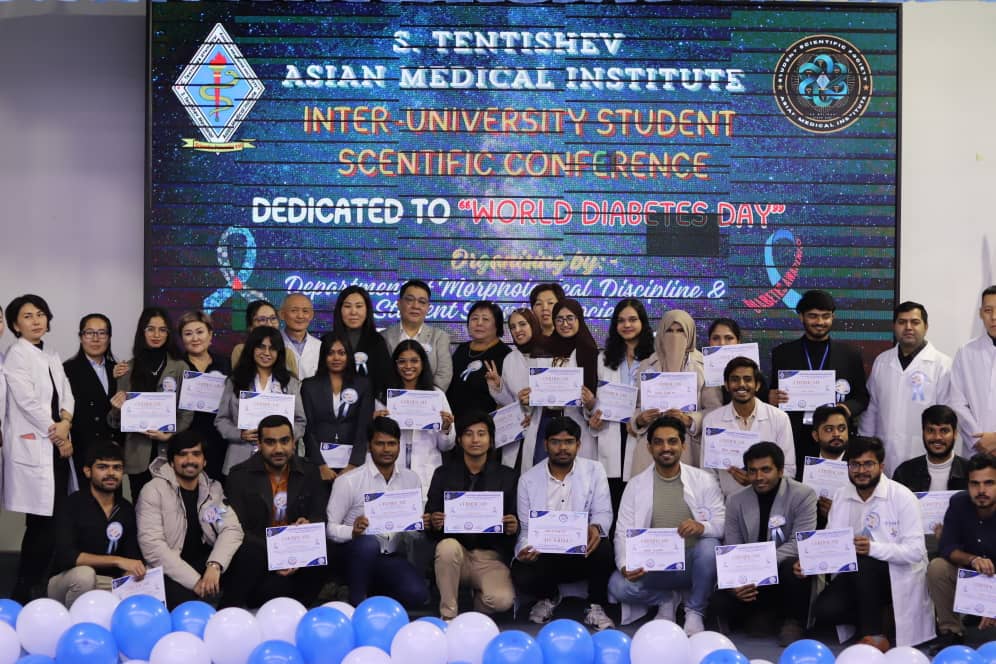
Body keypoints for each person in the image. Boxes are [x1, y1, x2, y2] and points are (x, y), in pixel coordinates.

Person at [811, 436, 934, 651]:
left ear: (881, 466)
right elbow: (831, 542)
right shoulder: (841, 495)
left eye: (868, 464)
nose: (861, 471)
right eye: (855, 465)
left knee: (865, 562)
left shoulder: (902, 496)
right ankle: (880, 616)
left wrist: (872, 548)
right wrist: (810, 561)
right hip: (855, 574)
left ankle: (873, 633)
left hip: (896, 573)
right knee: (824, 610)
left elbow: (916, 552)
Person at [608, 415, 724, 636]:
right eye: (658, 442)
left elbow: (721, 523)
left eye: (672, 441)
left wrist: (702, 527)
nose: (666, 448)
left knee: (710, 547)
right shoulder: (635, 485)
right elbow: (622, 532)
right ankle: (665, 599)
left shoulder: (703, 480)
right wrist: (624, 565)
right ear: (649, 448)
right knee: (617, 585)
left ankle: (694, 611)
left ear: (683, 445)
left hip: (692, 563)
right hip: (653, 566)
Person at [3, 294, 76, 603]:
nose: (36, 321)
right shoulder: (17, 355)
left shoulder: (50, 354)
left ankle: (42, 586)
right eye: (28, 316)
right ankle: (25, 589)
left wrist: (66, 421)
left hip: (55, 446)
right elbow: (28, 402)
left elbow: (66, 393)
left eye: (40, 314)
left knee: (54, 520)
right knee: (40, 523)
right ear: (15, 325)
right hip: (39, 445)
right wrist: (59, 434)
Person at [513, 416, 616, 631]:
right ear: (545, 444)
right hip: (546, 555)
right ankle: (548, 597)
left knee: (604, 547)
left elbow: (603, 512)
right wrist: (524, 549)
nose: (562, 448)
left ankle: (594, 605)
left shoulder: (594, 470)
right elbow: (526, 529)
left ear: (578, 445)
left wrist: (595, 527)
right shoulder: (528, 479)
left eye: (568, 442)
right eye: (555, 442)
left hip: (582, 552)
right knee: (521, 571)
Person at [710, 442, 815, 646]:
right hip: (752, 579)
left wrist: (760, 563)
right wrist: (735, 584)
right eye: (752, 471)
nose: (758, 477)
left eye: (766, 470)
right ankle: (763, 615)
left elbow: (800, 542)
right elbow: (733, 547)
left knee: (795, 565)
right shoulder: (735, 501)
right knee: (717, 602)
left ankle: (792, 622)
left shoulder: (803, 495)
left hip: (782, 572)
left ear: (781, 470)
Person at [325, 416, 430, 608]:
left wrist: (421, 524)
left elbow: (413, 532)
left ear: (399, 445)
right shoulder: (348, 481)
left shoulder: (411, 479)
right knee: (368, 544)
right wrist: (353, 532)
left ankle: (366, 590)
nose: (386, 449)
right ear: (369, 446)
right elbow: (329, 529)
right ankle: (356, 600)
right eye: (380, 443)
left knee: (417, 594)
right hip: (353, 555)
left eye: (392, 443)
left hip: (387, 557)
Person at [225, 415, 328, 607]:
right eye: (270, 442)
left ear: (294, 442)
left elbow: (320, 515)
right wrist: (277, 555)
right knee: (249, 554)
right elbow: (238, 530)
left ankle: (303, 607)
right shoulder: (239, 475)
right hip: (260, 558)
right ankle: (233, 608)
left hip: (298, 557)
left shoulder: (310, 471)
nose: (279, 449)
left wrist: (309, 525)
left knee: (328, 546)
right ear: (259, 444)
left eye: (284, 441)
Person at [424, 411, 518, 620]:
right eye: (468, 434)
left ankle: (476, 605)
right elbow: (429, 523)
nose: (475, 440)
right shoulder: (443, 474)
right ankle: (448, 616)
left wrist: (514, 527)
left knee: (502, 600)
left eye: (481, 434)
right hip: (455, 555)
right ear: (459, 439)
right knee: (447, 547)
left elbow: (516, 525)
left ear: (491, 440)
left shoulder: (508, 477)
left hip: (490, 558)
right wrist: (434, 522)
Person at [136, 429, 245, 609]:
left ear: (204, 461)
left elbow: (231, 528)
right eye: (182, 454)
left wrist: (215, 564)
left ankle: (227, 611)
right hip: (170, 568)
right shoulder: (153, 490)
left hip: (204, 563)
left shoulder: (212, 490)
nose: (190, 460)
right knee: (186, 605)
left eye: (196, 454)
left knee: (250, 552)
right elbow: (153, 547)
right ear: (171, 462)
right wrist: (194, 581)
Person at [769, 290, 869, 475]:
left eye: (826, 316)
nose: (820, 322)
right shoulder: (782, 354)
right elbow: (770, 393)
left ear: (833, 317)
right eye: (813, 316)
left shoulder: (850, 355)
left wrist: (846, 408)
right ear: (801, 317)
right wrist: (771, 397)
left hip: (834, 439)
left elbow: (862, 397)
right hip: (795, 437)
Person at [109, 306, 192, 501]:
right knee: (141, 509)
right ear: (142, 332)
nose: (156, 335)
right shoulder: (127, 369)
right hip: (138, 455)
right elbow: (114, 422)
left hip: (171, 453)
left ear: (169, 333)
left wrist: (171, 433)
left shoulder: (180, 367)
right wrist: (116, 409)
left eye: (162, 330)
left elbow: (187, 413)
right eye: (150, 329)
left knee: (174, 508)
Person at [48, 441, 144, 607]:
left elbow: (131, 557)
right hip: (68, 581)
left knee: (143, 581)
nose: (111, 473)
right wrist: (116, 560)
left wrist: (132, 575)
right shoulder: (71, 504)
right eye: (102, 467)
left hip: (108, 582)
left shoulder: (126, 509)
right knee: (85, 576)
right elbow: (68, 556)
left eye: (117, 468)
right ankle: (74, 620)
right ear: (87, 471)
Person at [860, 301, 952, 475]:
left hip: (923, 454)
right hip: (884, 455)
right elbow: (872, 410)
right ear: (894, 326)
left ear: (926, 327)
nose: (908, 327)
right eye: (902, 322)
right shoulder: (882, 361)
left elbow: (946, 417)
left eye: (915, 322)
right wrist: (865, 446)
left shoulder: (942, 365)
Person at [512, 299, 599, 474]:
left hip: (576, 424)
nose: (564, 324)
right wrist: (526, 401)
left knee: (576, 479)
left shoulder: (590, 352)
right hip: (543, 425)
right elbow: (531, 394)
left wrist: (590, 403)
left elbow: (598, 400)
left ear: (579, 319)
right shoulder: (541, 350)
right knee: (540, 477)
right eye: (559, 319)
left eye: (570, 318)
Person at [631, 310, 723, 473]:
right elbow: (635, 406)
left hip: (689, 446)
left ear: (690, 333)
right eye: (669, 331)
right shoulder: (646, 365)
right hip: (651, 447)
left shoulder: (705, 366)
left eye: (681, 331)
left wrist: (690, 420)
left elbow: (714, 410)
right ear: (661, 332)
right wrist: (640, 419)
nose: (675, 336)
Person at [590, 298, 655, 513]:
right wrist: (593, 414)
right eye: (621, 320)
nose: (627, 325)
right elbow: (597, 398)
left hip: (641, 431)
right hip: (611, 432)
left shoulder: (654, 357)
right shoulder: (603, 358)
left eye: (632, 320)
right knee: (612, 499)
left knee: (639, 501)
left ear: (642, 322)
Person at [215, 326, 307, 475]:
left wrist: (283, 438)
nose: (266, 353)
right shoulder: (236, 380)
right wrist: (240, 434)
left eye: (272, 348)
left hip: (281, 459)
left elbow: (300, 421)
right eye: (261, 347)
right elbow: (221, 420)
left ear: (279, 353)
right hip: (241, 458)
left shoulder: (289, 382)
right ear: (251, 349)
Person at [927, 454, 996, 651]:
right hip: (971, 577)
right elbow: (947, 547)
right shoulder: (958, 503)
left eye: (989, 483)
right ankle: (951, 631)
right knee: (938, 567)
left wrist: (992, 602)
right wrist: (973, 559)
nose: (981, 490)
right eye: (975, 484)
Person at [701, 357, 796, 499]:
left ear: (757, 385)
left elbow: (788, 469)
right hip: (727, 504)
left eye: (747, 379)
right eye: (735, 379)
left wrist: (755, 481)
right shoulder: (712, 420)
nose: (741, 384)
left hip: (770, 502)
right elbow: (708, 474)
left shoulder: (779, 418)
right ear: (726, 385)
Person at [374, 340, 455, 499]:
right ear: (395, 365)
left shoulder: (436, 395)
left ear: (423, 364)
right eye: (402, 361)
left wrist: (446, 428)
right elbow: (373, 441)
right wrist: (375, 423)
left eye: (414, 361)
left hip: (426, 470)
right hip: (391, 469)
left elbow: (446, 446)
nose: (408, 366)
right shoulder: (383, 396)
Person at [301, 331, 373, 485]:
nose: (336, 358)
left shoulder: (363, 385)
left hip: (352, 465)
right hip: (319, 465)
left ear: (349, 356)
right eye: (330, 353)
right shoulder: (309, 386)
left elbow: (363, 427)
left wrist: (353, 464)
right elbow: (308, 429)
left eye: (341, 353)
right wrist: (320, 465)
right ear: (323, 356)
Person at [486, 308, 552, 472]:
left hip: (544, 427)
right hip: (517, 429)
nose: (517, 330)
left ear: (533, 325)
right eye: (513, 327)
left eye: (522, 324)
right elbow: (509, 401)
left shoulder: (550, 355)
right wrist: (498, 386)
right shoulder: (510, 359)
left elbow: (559, 395)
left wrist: (534, 400)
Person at [63, 313, 121, 489]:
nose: (96, 339)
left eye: (102, 333)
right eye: (89, 333)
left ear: (109, 337)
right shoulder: (67, 370)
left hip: (112, 452)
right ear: (81, 337)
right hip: (83, 450)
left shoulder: (118, 369)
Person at [177, 311, 231, 483]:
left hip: (220, 439)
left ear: (210, 334)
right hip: (185, 440)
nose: (195, 338)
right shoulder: (176, 365)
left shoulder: (226, 363)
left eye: (200, 332)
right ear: (182, 338)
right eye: (188, 333)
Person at [948, 286, 996, 456]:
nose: (994, 317)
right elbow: (956, 402)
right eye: (988, 310)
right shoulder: (966, 352)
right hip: (976, 448)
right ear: (980, 313)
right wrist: (979, 440)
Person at [382, 279, 453, 391]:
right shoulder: (384, 337)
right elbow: (379, 373)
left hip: (429, 399)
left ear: (428, 308)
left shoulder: (439, 337)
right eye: (410, 300)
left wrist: (425, 397)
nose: (416, 306)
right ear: (399, 304)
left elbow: (444, 374)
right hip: (391, 399)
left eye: (422, 302)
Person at [447, 301, 511, 419]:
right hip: (455, 423)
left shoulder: (506, 355)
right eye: (474, 318)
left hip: (486, 425)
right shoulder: (462, 349)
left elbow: (509, 399)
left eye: (485, 319)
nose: (479, 323)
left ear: (497, 325)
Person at [893, 405, 970, 493]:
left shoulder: (970, 471)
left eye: (944, 431)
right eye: (931, 430)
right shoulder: (904, 472)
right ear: (923, 432)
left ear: (955, 434)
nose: (937, 437)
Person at [332, 285, 392, 398]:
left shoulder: (377, 341)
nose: (353, 312)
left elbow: (385, 381)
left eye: (359, 306)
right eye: (347, 306)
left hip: (371, 405)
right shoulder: (327, 341)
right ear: (339, 310)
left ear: (367, 310)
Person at [706, 318, 769, 404]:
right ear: (709, 341)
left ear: (738, 341)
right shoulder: (700, 369)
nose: (722, 343)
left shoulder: (752, 371)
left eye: (729, 338)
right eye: (716, 338)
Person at [231, 300, 299, 378]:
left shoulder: (287, 353)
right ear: (250, 327)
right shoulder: (241, 350)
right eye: (262, 319)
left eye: (273, 318)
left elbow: (293, 383)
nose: (269, 324)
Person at [808, 404, 851, 526]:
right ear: (815, 436)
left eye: (842, 428)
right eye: (829, 429)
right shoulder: (804, 463)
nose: (836, 434)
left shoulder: (858, 465)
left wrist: (837, 513)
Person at [280, 293, 322, 379]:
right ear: (282, 314)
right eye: (294, 310)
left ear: (311, 315)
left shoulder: (320, 346)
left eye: (305, 311)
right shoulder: (273, 343)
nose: (300, 316)